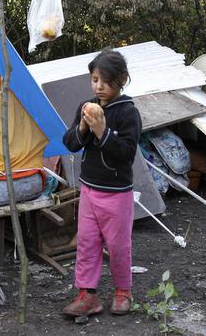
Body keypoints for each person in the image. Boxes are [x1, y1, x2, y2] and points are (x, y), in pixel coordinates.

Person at [61, 48, 142, 317]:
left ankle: (123, 292)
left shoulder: (128, 113)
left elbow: (126, 154)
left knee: (118, 246)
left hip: (116, 194)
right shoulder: (86, 107)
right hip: (89, 190)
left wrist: (101, 131)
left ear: (122, 79)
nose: (100, 87)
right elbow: (70, 143)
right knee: (86, 242)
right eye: (95, 79)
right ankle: (87, 295)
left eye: (106, 81)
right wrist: (84, 127)